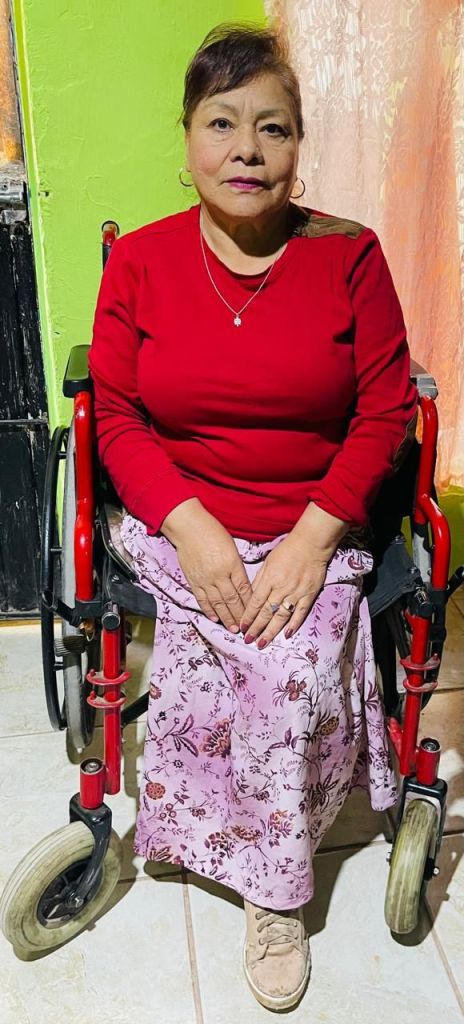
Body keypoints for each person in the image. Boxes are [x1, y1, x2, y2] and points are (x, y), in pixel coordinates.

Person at [88, 23, 418, 1012]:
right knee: (211, 650)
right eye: (221, 123)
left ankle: (275, 891)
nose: (246, 149)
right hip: (177, 515)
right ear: (187, 137)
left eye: (271, 128)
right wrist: (189, 526)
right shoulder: (141, 262)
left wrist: (315, 538)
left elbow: (385, 411)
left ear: (297, 144)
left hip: (313, 520)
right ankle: (200, 831)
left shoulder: (349, 255)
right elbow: (117, 417)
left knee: (283, 662)